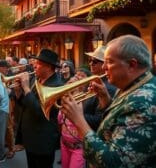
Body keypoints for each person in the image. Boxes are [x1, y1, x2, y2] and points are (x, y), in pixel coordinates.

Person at [61, 35, 156, 167]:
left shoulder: (143, 103)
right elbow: (119, 122)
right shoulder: (130, 85)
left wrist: (79, 120)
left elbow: (115, 163)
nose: (104, 67)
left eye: (109, 62)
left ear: (132, 65)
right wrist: (106, 101)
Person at [17, 48, 63, 168]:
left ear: (48, 67)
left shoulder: (56, 85)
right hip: (31, 138)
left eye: (38, 64)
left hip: (43, 142)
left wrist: (26, 88)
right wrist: (18, 91)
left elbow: (41, 112)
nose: (34, 67)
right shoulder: (36, 79)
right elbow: (26, 103)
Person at [83, 46, 116, 131]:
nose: (90, 64)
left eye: (95, 61)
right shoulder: (92, 81)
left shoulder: (108, 87)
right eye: (90, 60)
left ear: (105, 64)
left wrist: (76, 114)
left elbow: (99, 121)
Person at [0, 59, 15, 159]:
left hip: (6, 103)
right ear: (1, 68)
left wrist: (8, 90)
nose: (7, 69)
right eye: (5, 68)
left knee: (8, 126)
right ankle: (7, 143)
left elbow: (9, 90)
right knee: (3, 126)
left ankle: (12, 149)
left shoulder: (4, 76)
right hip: (2, 103)